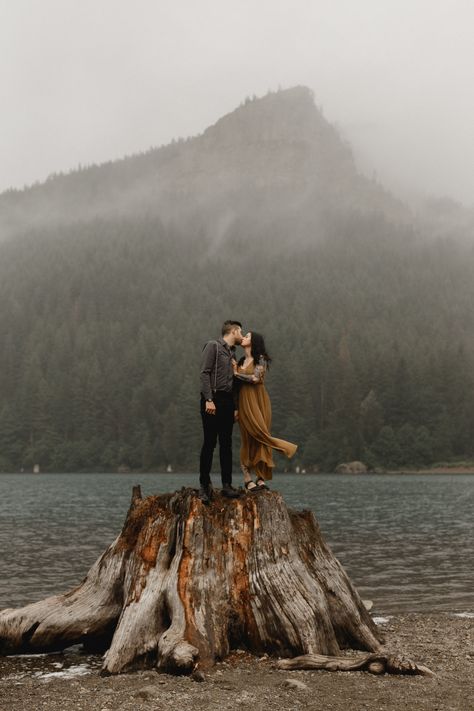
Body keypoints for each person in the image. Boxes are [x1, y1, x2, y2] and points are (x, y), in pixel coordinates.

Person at [233, 331, 297, 491]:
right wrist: (235, 408)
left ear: (253, 341)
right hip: (243, 402)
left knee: (261, 435)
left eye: (247, 336)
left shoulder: (261, 359)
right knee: (247, 439)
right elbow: (235, 388)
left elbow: (256, 379)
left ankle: (261, 478)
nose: (243, 338)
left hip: (260, 401)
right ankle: (247, 478)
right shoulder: (240, 361)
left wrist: (235, 373)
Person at [198, 320, 244, 503]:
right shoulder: (213, 346)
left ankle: (227, 485)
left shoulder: (233, 353)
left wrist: (235, 407)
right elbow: (204, 373)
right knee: (210, 443)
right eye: (241, 332)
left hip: (227, 402)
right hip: (212, 399)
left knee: (226, 444)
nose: (242, 335)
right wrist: (209, 399)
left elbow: (234, 385)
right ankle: (204, 486)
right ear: (233, 331)